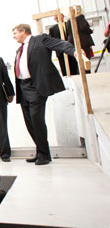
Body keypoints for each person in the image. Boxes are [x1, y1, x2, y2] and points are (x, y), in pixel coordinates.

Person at [12, 24, 77, 165]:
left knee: (37, 119)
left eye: (15, 33)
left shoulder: (40, 39)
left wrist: (75, 52)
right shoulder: (19, 49)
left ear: (23, 31)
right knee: (29, 121)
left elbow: (61, 44)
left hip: (36, 86)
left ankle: (44, 155)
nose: (14, 36)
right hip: (23, 88)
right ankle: (41, 151)